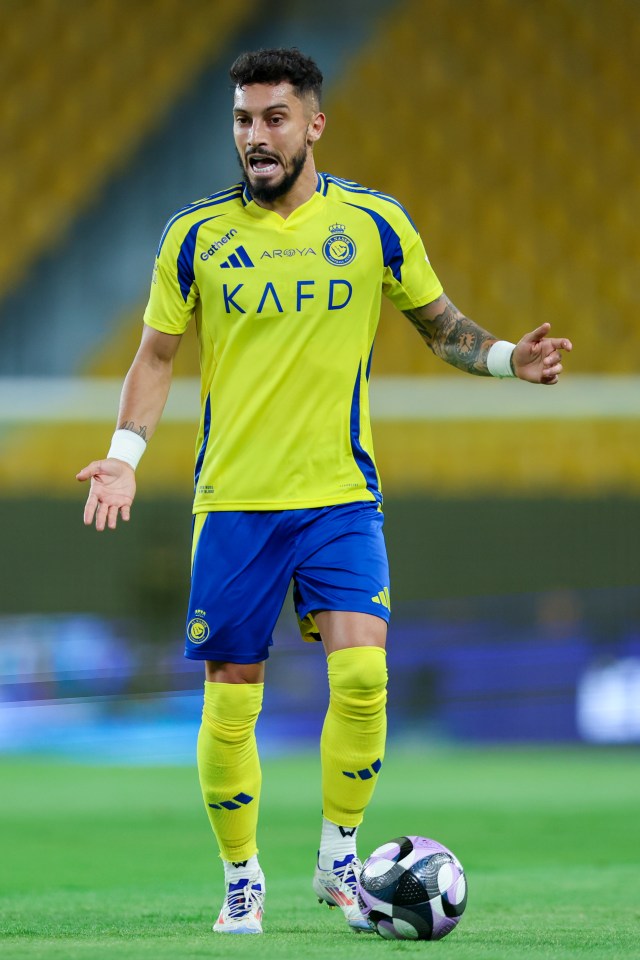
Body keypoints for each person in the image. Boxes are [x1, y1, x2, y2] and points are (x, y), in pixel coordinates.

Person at [77, 47, 572, 935]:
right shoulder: (195, 236)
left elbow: (439, 324)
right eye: (241, 120)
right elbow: (156, 356)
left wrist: (506, 360)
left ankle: (340, 852)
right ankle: (242, 876)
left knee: (364, 678)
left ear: (314, 123)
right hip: (234, 501)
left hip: (341, 496)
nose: (255, 136)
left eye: (273, 117)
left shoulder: (376, 224)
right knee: (233, 696)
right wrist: (124, 455)